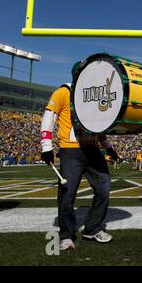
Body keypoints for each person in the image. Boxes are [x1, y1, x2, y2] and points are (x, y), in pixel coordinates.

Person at [40, 82, 119, 251]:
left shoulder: (93, 93)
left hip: (92, 148)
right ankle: (66, 235)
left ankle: (93, 228)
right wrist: (46, 146)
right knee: (67, 194)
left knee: (104, 188)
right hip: (71, 149)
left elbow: (97, 127)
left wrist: (108, 147)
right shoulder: (63, 91)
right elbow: (49, 115)